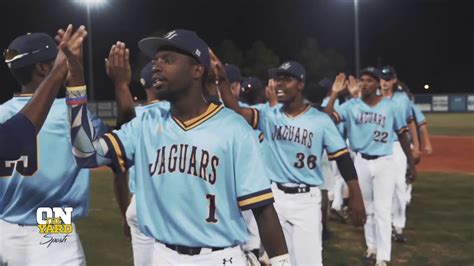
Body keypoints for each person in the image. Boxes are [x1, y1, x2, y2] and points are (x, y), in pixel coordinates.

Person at [66, 29, 290, 265]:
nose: (156, 66)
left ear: (196, 70)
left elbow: (264, 211)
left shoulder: (234, 128)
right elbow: (85, 154)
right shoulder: (145, 123)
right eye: (155, 60)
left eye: (168, 60)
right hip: (162, 255)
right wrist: (76, 79)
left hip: (218, 256)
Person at [215, 59, 366, 265]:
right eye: (277, 79)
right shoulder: (268, 114)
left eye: (287, 79)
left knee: (309, 261)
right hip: (274, 197)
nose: (279, 84)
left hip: (306, 199)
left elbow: (342, 157)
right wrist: (222, 80)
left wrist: (356, 195)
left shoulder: (320, 119)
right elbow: (237, 112)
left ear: (301, 84)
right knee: (279, 261)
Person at [0, 25, 110, 266]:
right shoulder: (66, 111)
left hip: (4, 225)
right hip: (53, 221)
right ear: (42, 68)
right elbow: (114, 144)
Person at [324, 69, 416, 266]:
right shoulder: (351, 106)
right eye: (362, 80)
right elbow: (326, 118)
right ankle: (371, 247)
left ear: (376, 85)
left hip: (385, 161)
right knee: (366, 208)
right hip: (361, 161)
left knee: (383, 209)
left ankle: (383, 257)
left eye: (369, 80)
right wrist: (334, 94)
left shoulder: (391, 107)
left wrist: (410, 162)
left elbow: (402, 135)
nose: (364, 83)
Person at [0, 28, 80, 160]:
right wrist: (120, 85)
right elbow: (118, 145)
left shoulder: (1, 112)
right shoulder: (69, 113)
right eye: (58, 60)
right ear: (42, 68)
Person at [379, 65, 419, 243]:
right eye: (382, 78)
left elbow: (410, 122)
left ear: (394, 80)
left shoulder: (403, 99)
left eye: (388, 79)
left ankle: (399, 226)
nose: (384, 82)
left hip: (398, 146)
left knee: (399, 185)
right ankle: (384, 225)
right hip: (379, 147)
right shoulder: (374, 98)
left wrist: (415, 145)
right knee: (381, 189)